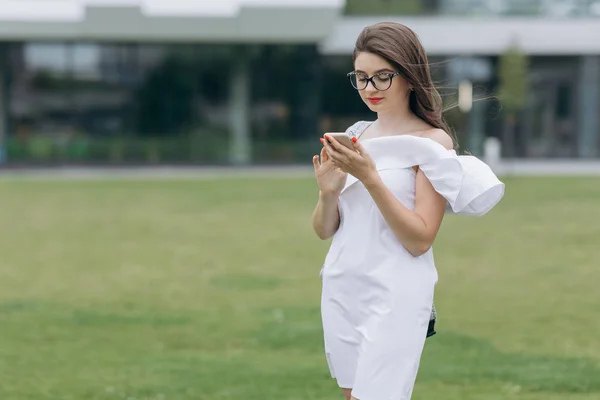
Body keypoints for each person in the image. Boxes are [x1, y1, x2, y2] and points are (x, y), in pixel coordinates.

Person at [311, 22, 505, 400]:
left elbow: (420, 239)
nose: (370, 89)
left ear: (409, 75)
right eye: (362, 77)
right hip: (343, 286)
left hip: (394, 294)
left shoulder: (432, 143)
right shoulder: (356, 135)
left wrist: (370, 179)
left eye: (383, 77)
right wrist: (327, 193)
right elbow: (323, 230)